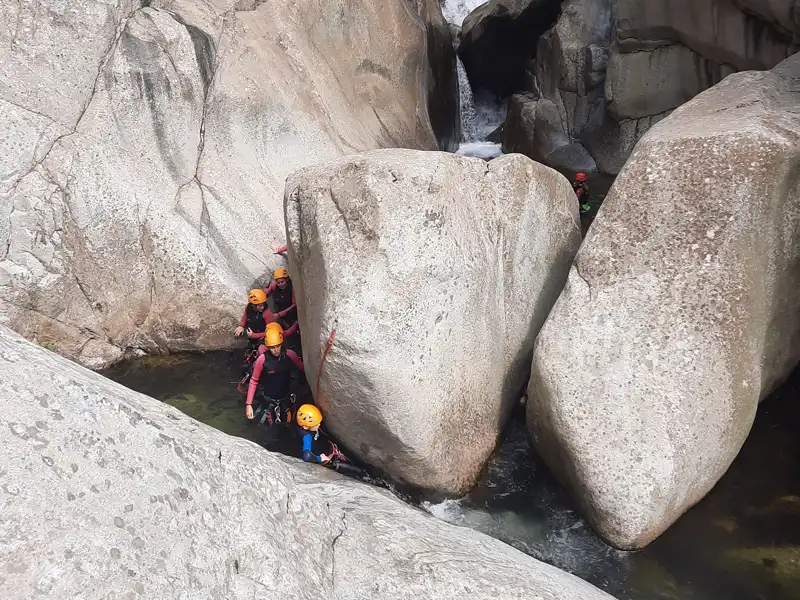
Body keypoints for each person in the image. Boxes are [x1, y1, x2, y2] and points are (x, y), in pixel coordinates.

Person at [245, 325, 304, 438]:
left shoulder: (290, 355)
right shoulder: (262, 360)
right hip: (269, 401)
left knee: (287, 429)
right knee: (264, 432)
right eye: (272, 347)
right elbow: (253, 381)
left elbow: (302, 369)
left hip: (286, 399)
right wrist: (248, 404)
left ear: (282, 343)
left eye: (278, 346)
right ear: (267, 346)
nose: (276, 350)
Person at [295, 404, 364, 477]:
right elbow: (307, 456)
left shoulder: (312, 428)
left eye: (319, 422)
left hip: (329, 448)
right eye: (315, 424)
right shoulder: (307, 437)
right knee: (357, 471)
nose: (318, 425)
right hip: (326, 459)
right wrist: (320, 458)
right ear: (305, 426)